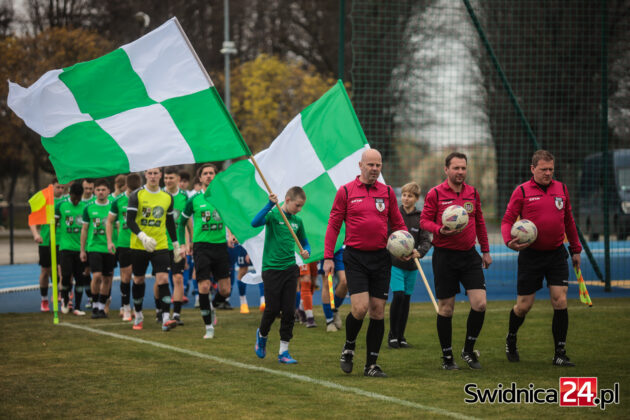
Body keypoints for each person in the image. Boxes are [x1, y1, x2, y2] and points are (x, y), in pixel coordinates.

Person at [324, 148, 407, 378]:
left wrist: (406, 245)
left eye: (378, 165)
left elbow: (398, 224)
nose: (374, 169)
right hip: (355, 257)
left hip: (381, 258)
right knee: (360, 309)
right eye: (370, 165)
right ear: (360, 165)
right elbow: (333, 225)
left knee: (378, 311)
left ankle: (371, 364)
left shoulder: (387, 192)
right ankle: (349, 346)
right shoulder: (345, 191)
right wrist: (329, 256)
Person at [501, 150, 582, 367]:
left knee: (560, 300)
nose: (548, 173)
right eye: (543, 169)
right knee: (523, 306)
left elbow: (569, 220)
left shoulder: (561, 189)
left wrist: (576, 249)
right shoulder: (521, 191)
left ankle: (559, 353)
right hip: (531, 256)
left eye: (551, 169)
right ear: (533, 169)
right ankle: (511, 338)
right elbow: (507, 220)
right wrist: (509, 241)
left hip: (556, 254)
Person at [420, 152, 492, 370]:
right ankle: (447, 357)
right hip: (445, 256)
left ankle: (468, 350)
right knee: (446, 309)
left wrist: (485, 250)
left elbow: (479, 222)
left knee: (480, 304)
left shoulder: (472, 193)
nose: (460, 172)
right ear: (446, 170)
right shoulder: (435, 193)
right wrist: (439, 229)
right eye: (456, 168)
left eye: (463, 168)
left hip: (469, 255)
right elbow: (424, 221)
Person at [252, 188, 310, 364]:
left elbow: (305, 242)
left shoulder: (298, 221)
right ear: (288, 200)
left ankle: (284, 351)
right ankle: (262, 335)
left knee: (289, 311)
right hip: (271, 269)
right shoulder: (273, 215)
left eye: (301, 206)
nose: (299, 209)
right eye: (297, 205)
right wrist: (269, 204)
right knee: (272, 309)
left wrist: (306, 251)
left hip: (290, 269)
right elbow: (255, 223)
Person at [178, 164, 231, 339]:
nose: (209, 176)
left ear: (215, 176)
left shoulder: (222, 198)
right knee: (204, 286)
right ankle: (208, 327)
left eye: (211, 173)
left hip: (220, 246)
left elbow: (231, 218)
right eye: (205, 173)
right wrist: (183, 244)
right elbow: (181, 223)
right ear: (200, 178)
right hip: (201, 247)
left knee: (225, 291)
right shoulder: (193, 200)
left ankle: (212, 307)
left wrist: (231, 235)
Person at [126, 167, 182, 331]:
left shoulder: (167, 197)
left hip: (160, 245)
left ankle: (165, 318)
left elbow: (170, 222)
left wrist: (176, 244)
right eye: (149, 173)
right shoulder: (136, 195)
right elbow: (130, 221)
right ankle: (138, 315)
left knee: (163, 279)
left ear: (160, 175)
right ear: (145, 175)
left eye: (155, 173)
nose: (152, 176)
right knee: (138, 280)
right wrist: (143, 237)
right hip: (139, 245)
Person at [388, 182, 432, 349]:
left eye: (410, 196)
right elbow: (387, 236)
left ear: (417, 199)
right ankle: (392, 335)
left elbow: (426, 240)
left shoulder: (420, 218)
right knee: (398, 296)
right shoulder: (394, 214)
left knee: (406, 300)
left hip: (412, 266)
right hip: (395, 264)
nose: (406, 198)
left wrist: (419, 252)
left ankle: (401, 336)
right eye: (404, 195)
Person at [106, 173, 142, 321]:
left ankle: (137, 308)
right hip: (124, 243)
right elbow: (109, 221)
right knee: (126, 277)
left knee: (138, 278)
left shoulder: (143, 197)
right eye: (132, 190)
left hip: (140, 243)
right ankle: (126, 307)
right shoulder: (118, 200)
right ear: (126, 186)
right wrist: (110, 241)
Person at [29, 179, 65, 311]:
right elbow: (32, 220)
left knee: (61, 270)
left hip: (61, 242)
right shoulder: (45, 201)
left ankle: (61, 295)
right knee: (45, 271)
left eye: (62, 187)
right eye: (57, 187)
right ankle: (44, 299)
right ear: (52, 187)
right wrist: (36, 235)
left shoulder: (66, 202)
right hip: (46, 241)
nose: (60, 190)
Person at [80, 178, 114, 319]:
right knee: (97, 276)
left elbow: (118, 226)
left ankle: (101, 307)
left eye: (103, 190)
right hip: (94, 247)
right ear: (95, 191)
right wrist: (82, 250)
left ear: (108, 191)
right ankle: (94, 305)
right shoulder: (88, 207)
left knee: (107, 278)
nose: (100, 192)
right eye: (98, 190)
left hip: (110, 248)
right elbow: (84, 229)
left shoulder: (113, 206)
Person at [55, 181, 89, 315]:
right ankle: (64, 300)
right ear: (70, 194)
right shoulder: (61, 205)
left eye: (78, 198)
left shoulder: (85, 207)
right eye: (74, 198)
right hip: (65, 248)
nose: (76, 201)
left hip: (80, 249)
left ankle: (78, 307)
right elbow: (54, 224)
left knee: (80, 278)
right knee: (65, 276)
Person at [163, 166, 189, 325]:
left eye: (171, 178)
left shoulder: (184, 197)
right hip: (160, 245)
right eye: (166, 178)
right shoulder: (159, 195)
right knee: (161, 279)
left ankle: (177, 314)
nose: (168, 181)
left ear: (178, 179)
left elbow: (186, 222)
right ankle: (161, 311)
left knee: (178, 277)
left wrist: (187, 243)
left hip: (177, 245)